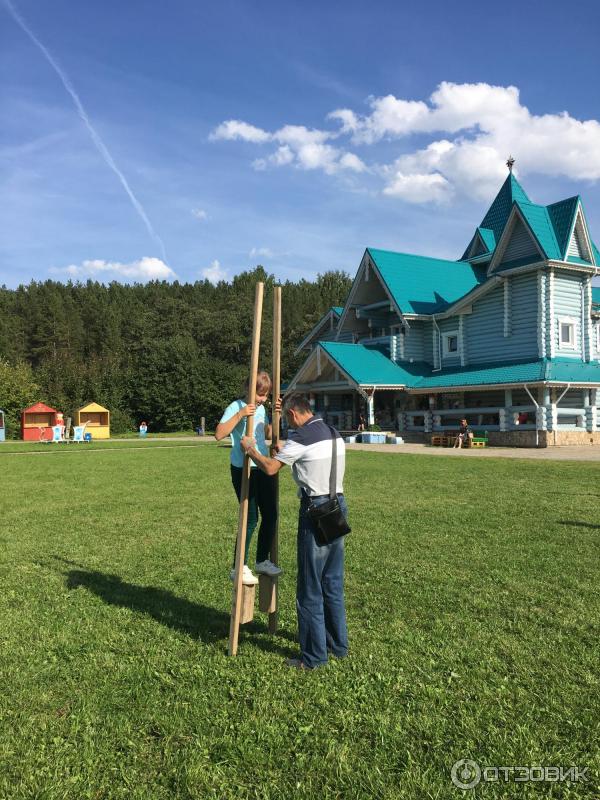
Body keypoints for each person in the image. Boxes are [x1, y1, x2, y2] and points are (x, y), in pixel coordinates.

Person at [241, 392, 349, 670]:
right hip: (338, 506)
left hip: (315, 510)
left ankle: (313, 657)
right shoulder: (332, 432)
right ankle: (337, 645)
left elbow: (271, 468)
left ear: (291, 415)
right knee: (332, 582)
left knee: (310, 588)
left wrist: (252, 450)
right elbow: (306, 454)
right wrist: (284, 444)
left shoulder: (301, 438)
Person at [215, 371, 281, 586]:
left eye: (265, 395)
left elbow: (267, 435)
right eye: (259, 394)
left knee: (271, 514)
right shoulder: (236, 407)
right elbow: (219, 434)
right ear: (248, 390)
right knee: (250, 518)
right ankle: (238, 566)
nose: (262, 399)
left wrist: (276, 417)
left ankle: (262, 560)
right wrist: (241, 414)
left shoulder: (262, 409)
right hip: (244, 469)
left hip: (262, 464)